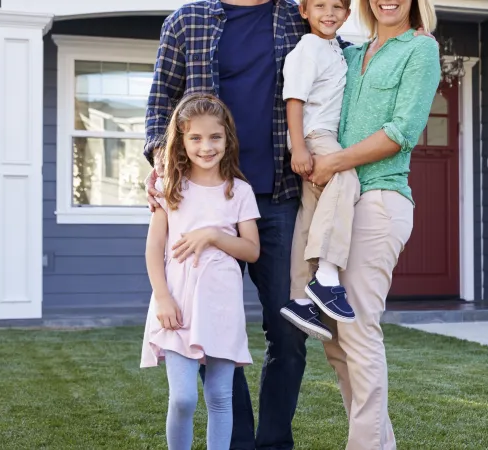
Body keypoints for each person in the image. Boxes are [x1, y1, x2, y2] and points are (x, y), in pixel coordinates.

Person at [142, 1, 351, 448]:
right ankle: (234, 441)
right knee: (209, 329)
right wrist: (162, 163)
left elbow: (340, 57)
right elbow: (160, 111)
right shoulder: (186, 22)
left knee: (290, 330)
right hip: (209, 200)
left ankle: (274, 442)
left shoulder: (296, 19)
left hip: (279, 197)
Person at [305, 0, 441, 448]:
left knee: (358, 330)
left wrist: (333, 162)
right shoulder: (348, 53)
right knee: (335, 340)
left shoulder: (419, 50)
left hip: (379, 199)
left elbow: (402, 130)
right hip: (341, 202)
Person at [140, 93, 261, 450]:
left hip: (221, 306)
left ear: (227, 139)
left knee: (220, 397)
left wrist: (212, 236)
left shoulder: (239, 191)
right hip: (177, 302)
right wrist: (162, 297)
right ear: (181, 139)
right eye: (195, 138)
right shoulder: (169, 189)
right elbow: (153, 248)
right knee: (183, 399)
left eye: (215, 137)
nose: (206, 146)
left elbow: (251, 250)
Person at [279, 0, 360, 342]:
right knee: (346, 178)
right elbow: (294, 99)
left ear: (347, 14)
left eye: (337, 7)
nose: (329, 13)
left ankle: (299, 298)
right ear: (304, 11)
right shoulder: (309, 46)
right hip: (315, 135)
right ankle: (326, 274)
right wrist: (299, 146)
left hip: (318, 136)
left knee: (310, 214)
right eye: (320, 5)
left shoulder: (336, 49)